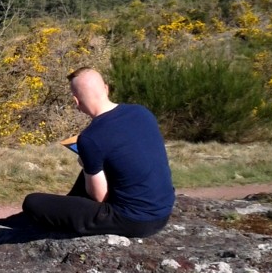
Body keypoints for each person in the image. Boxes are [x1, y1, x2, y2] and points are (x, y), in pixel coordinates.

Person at [21, 67, 175, 238]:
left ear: (76, 101)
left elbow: (100, 197)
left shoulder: (90, 138)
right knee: (96, 166)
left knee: (33, 202)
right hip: (163, 211)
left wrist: (86, 162)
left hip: (133, 221)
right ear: (106, 88)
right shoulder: (141, 112)